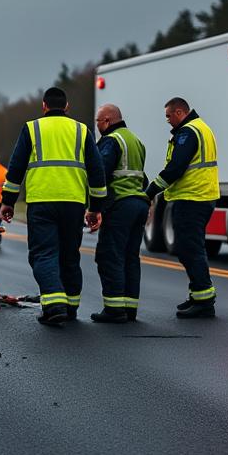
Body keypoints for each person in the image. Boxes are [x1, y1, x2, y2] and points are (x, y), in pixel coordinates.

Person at [0, 87, 107, 325]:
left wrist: (7, 201)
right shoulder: (82, 130)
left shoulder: (32, 128)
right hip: (74, 203)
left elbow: (16, 168)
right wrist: (96, 207)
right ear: (67, 107)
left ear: (43, 106)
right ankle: (70, 306)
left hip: (42, 202)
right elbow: (97, 171)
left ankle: (54, 305)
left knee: (43, 253)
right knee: (70, 256)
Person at [145, 97, 219, 318]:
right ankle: (198, 296)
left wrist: (149, 192)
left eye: (169, 116)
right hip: (199, 197)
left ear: (179, 112)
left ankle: (204, 302)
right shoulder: (201, 127)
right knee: (190, 248)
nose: (167, 121)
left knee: (190, 249)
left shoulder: (188, 132)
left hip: (192, 198)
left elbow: (176, 168)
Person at [89, 104, 149, 323]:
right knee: (130, 257)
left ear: (106, 121)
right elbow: (142, 177)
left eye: (98, 122)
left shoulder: (111, 141)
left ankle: (114, 309)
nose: (97, 126)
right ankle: (129, 308)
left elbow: (100, 174)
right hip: (139, 204)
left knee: (109, 255)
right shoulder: (135, 141)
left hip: (120, 205)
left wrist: (95, 208)